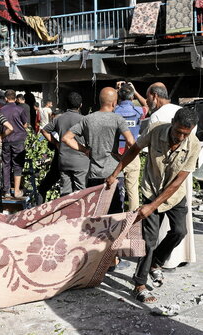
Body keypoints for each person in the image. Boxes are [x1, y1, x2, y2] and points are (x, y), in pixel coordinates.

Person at [106, 107, 200, 303]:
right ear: (172, 122)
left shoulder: (194, 145)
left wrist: (151, 207)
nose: (180, 137)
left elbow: (177, 182)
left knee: (180, 232)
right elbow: (134, 149)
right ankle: (139, 283)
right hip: (152, 190)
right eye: (178, 132)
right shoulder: (156, 130)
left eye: (185, 133)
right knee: (149, 240)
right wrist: (116, 173)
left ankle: (155, 262)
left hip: (174, 196)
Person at [146, 83, 196, 270]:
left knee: (162, 221)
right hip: (184, 174)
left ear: (154, 96)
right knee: (180, 225)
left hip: (163, 177)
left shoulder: (157, 117)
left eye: (147, 97)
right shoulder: (183, 112)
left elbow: (147, 149)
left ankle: (160, 261)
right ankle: (178, 257)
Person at [63, 87, 135, 213]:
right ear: (114, 102)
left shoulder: (87, 119)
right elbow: (131, 142)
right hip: (114, 173)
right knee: (115, 214)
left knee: (95, 213)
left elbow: (66, 138)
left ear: (100, 101)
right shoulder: (118, 119)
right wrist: (122, 157)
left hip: (94, 174)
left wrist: (85, 150)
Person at [42, 92, 89, 196]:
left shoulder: (59, 118)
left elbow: (44, 130)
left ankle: (66, 212)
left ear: (66, 105)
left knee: (65, 194)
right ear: (81, 105)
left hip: (64, 160)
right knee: (80, 194)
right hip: (80, 161)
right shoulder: (84, 120)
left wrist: (56, 143)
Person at [115, 83, 144, 211]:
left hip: (115, 154)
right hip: (132, 153)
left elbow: (108, 103)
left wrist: (117, 91)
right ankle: (133, 219)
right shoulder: (138, 111)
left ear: (119, 97)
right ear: (132, 98)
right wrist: (135, 90)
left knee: (114, 189)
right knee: (132, 189)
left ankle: (115, 215)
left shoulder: (113, 111)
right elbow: (147, 105)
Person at [0, 89, 28, 198]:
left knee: (6, 165)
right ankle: (16, 191)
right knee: (18, 165)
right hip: (19, 139)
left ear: (6, 99)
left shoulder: (1, 110)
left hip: (6, 140)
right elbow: (25, 124)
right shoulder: (20, 109)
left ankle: (6, 191)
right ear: (15, 98)